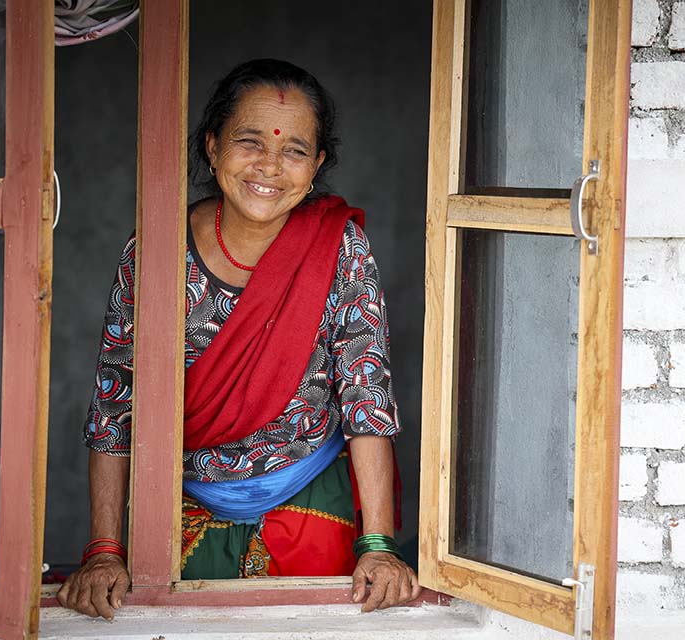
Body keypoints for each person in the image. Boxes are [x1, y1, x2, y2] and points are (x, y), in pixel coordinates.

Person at [56, 59, 420, 620]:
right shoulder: (157, 251)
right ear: (212, 147)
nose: (270, 165)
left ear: (317, 163)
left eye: (295, 150)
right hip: (179, 514)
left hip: (313, 508)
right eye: (249, 141)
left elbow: (366, 400)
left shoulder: (339, 249)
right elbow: (115, 406)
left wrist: (378, 545)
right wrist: (106, 550)